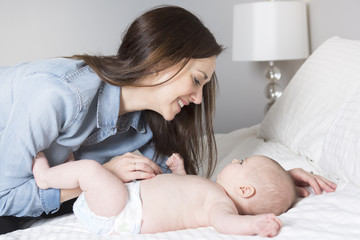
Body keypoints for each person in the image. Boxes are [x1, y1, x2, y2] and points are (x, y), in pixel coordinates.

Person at [0, 5, 337, 234]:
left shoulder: (148, 129)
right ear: (161, 62)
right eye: (196, 80)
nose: (199, 99)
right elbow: (5, 199)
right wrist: (102, 175)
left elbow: (175, 191)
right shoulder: (56, 95)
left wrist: (275, 181)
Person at [33, 152, 296, 237]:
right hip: (126, 197)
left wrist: (254, 224)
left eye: (241, 164)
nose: (235, 160)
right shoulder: (211, 190)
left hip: (123, 211)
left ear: (245, 191)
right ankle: (69, 168)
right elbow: (181, 193)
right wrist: (179, 171)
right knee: (95, 171)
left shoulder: (221, 206)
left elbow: (225, 224)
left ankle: (46, 178)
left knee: (91, 170)